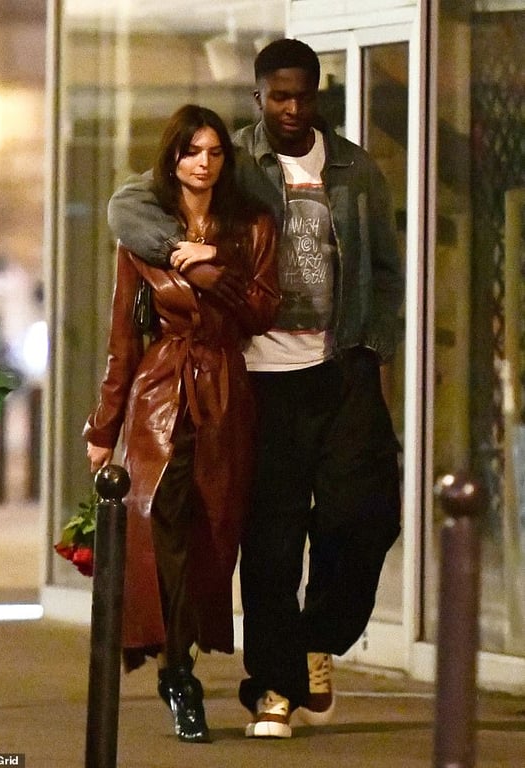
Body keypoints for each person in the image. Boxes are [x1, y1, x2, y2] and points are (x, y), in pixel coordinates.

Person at [107, 38, 404, 740]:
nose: (292, 108)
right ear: (258, 97)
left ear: (318, 96)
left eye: (303, 95)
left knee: (364, 517)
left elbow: (386, 268)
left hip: (341, 367)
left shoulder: (356, 168)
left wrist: (376, 347)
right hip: (259, 377)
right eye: (279, 96)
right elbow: (127, 205)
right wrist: (181, 252)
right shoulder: (233, 159)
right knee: (272, 538)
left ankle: (315, 639)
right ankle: (273, 686)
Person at [83, 104, 279, 744]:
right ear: (172, 158)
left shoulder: (250, 226)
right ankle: (179, 676)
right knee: (157, 525)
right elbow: (122, 339)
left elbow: (263, 311)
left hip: (225, 390)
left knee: (213, 537)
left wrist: (211, 266)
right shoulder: (145, 236)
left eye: (215, 152)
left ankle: (180, 658)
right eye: (191, 151)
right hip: (160, 393)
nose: (203, 163)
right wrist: (103, 428)